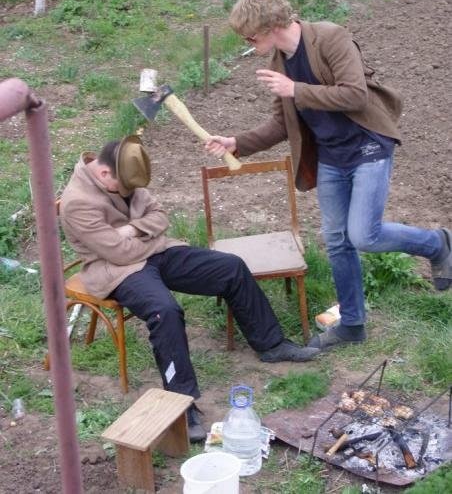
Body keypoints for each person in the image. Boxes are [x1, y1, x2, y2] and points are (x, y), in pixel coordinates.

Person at [205, 0, 451, 354]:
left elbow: (355, 94)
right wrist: (237, 142)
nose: (247, 42)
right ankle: (352, 323)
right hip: (332, 157)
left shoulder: (331, 38)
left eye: (250, 36)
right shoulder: (279, 64)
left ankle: (437, 243)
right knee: (337, 240)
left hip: (368, 144)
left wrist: (296, 90)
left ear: (270, 26)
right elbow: (281, 124)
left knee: (364, 235)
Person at [60, 135, 319, 442]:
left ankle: (271, 344)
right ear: (104, 174)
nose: (130, 193)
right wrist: (150, 237)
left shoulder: (126, 168)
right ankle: (181, 404)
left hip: (154, 252)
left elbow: (160, 217)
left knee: (231, 267)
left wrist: (132, 230)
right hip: (116, 270)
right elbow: (118, 253)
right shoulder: (77, 202)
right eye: (124, 189)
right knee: (165, 311)